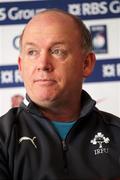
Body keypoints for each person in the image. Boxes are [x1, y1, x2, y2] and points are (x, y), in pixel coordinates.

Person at [0, 9, 120, 180]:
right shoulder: (3, 138)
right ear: (21, 65)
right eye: (32, 52)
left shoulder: (117, 134)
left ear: (86, 64)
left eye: (57, 51)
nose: (42, 64)